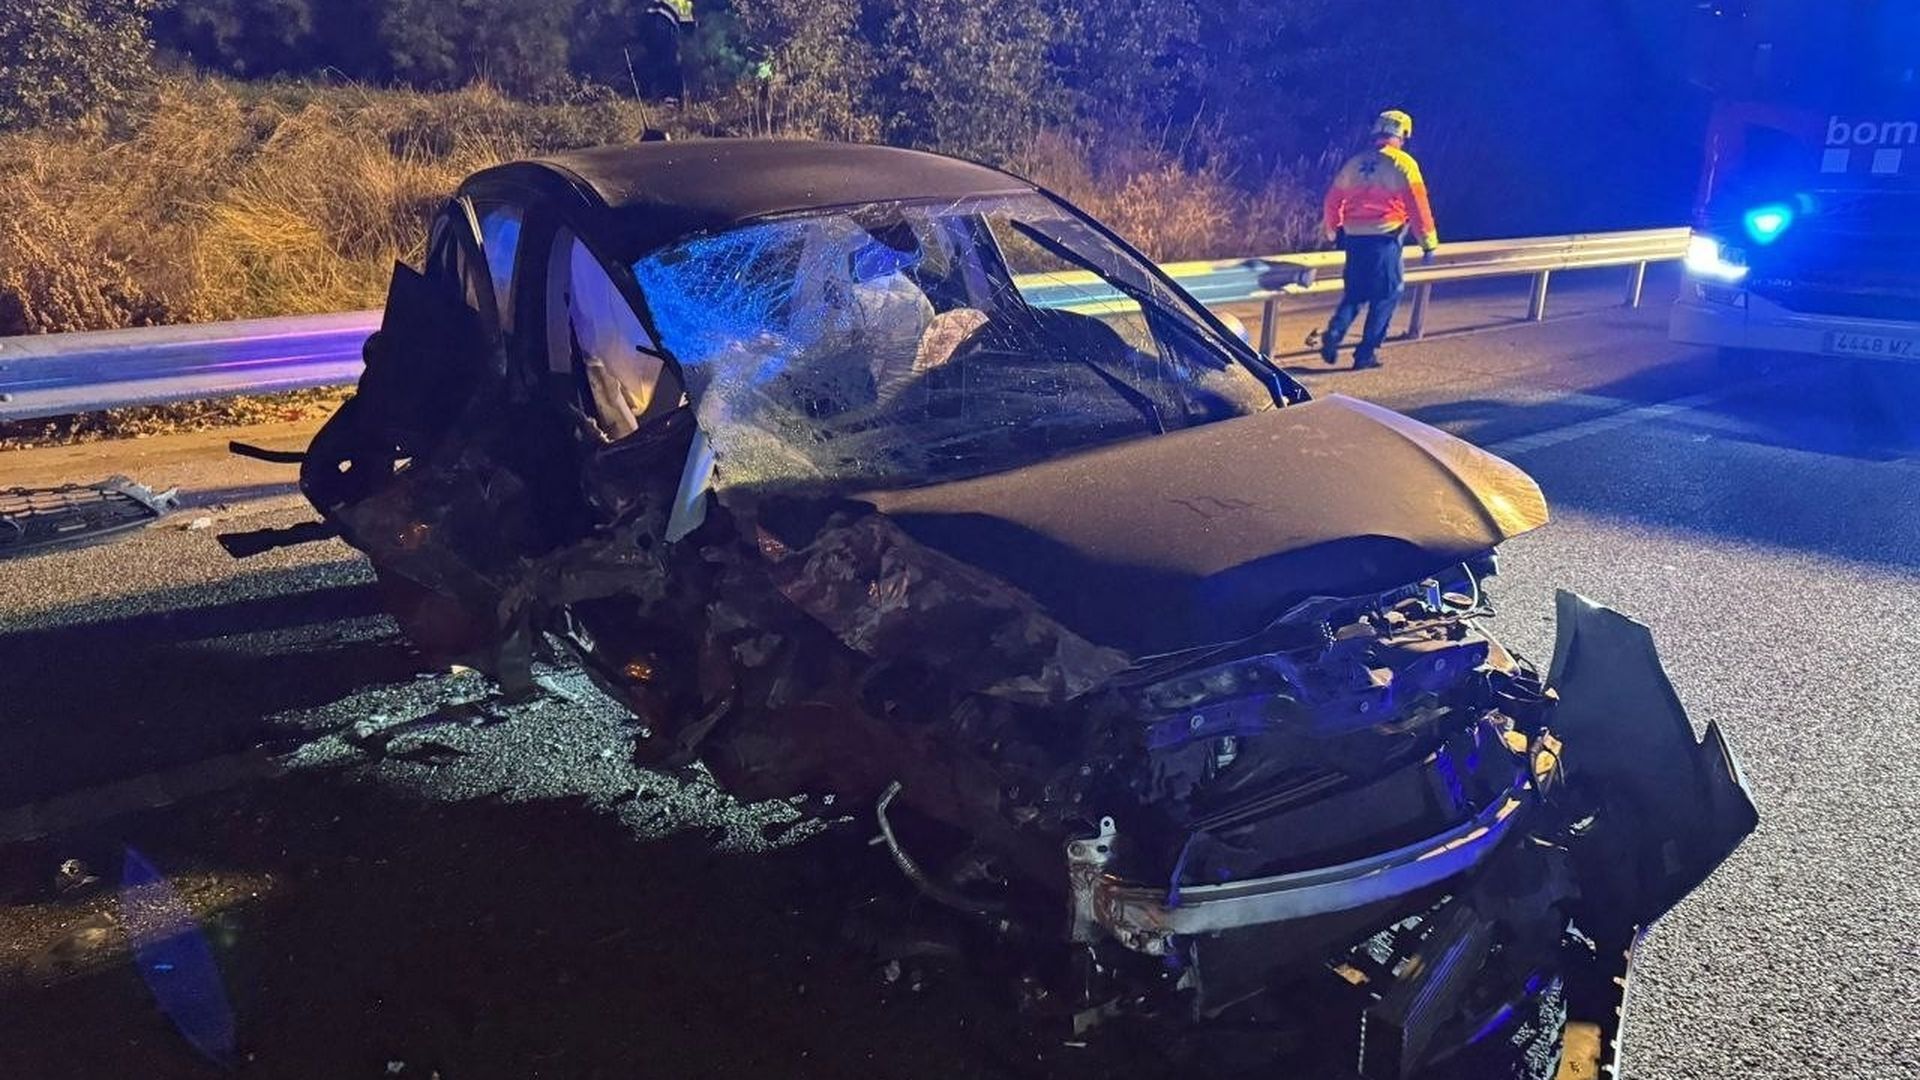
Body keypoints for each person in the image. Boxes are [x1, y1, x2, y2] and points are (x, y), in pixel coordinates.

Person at [1319, 109, 1439, 368]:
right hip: (1384, 239)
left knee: (1355, 293)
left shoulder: (1356, 162)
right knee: (1387, 294)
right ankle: (1366, 354)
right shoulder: (1404, 164)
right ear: (1403, 134)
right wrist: (1428, 242)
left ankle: (1334, 333)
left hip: (1353, 239)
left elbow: (1332, 199)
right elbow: (1418, 205)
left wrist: (1334, 230)